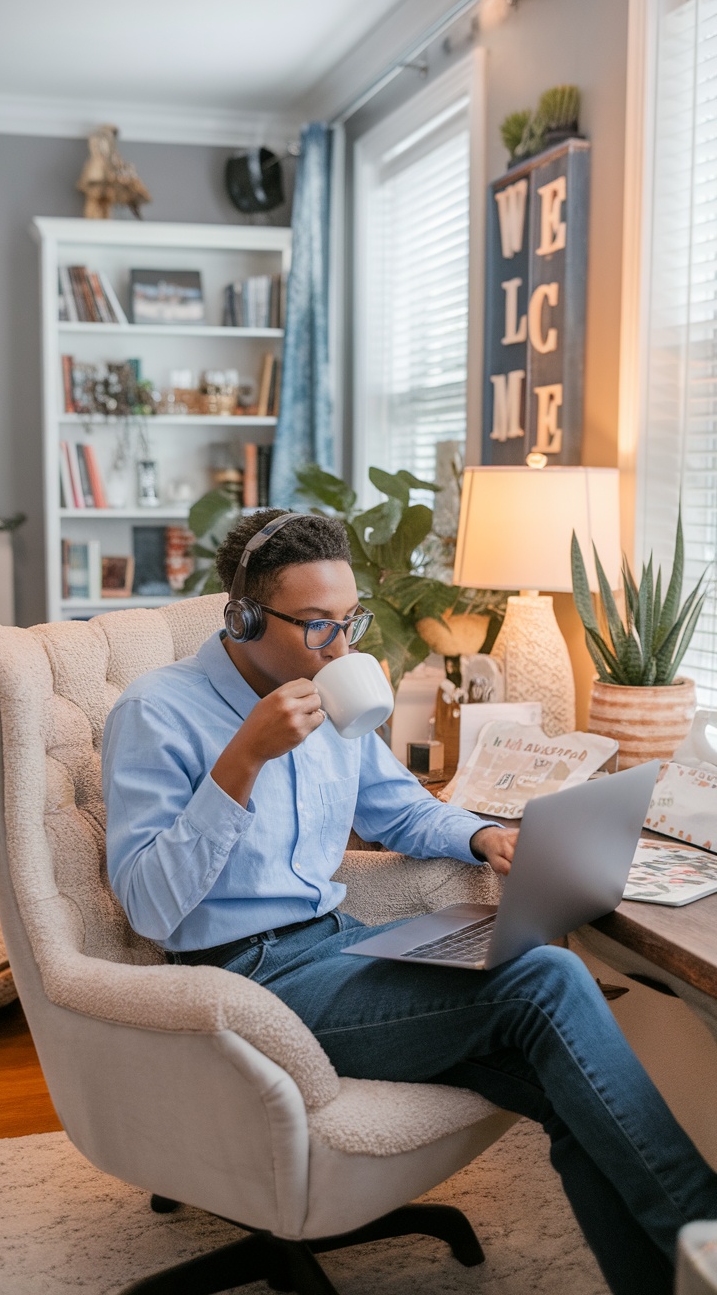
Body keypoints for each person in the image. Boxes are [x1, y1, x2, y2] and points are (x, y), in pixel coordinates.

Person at [103, 508, 717, 1295]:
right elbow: (150, 909)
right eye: (318, 625)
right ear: (245, 616)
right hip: (243, 982)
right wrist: (243, 760)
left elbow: (398, 806)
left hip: (338, 945)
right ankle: (702, 1226)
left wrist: (480, 838)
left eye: (349, 618)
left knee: (577, 1102)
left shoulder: (333, 695)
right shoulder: (156, 712)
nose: (344, 646)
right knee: (546, 979)